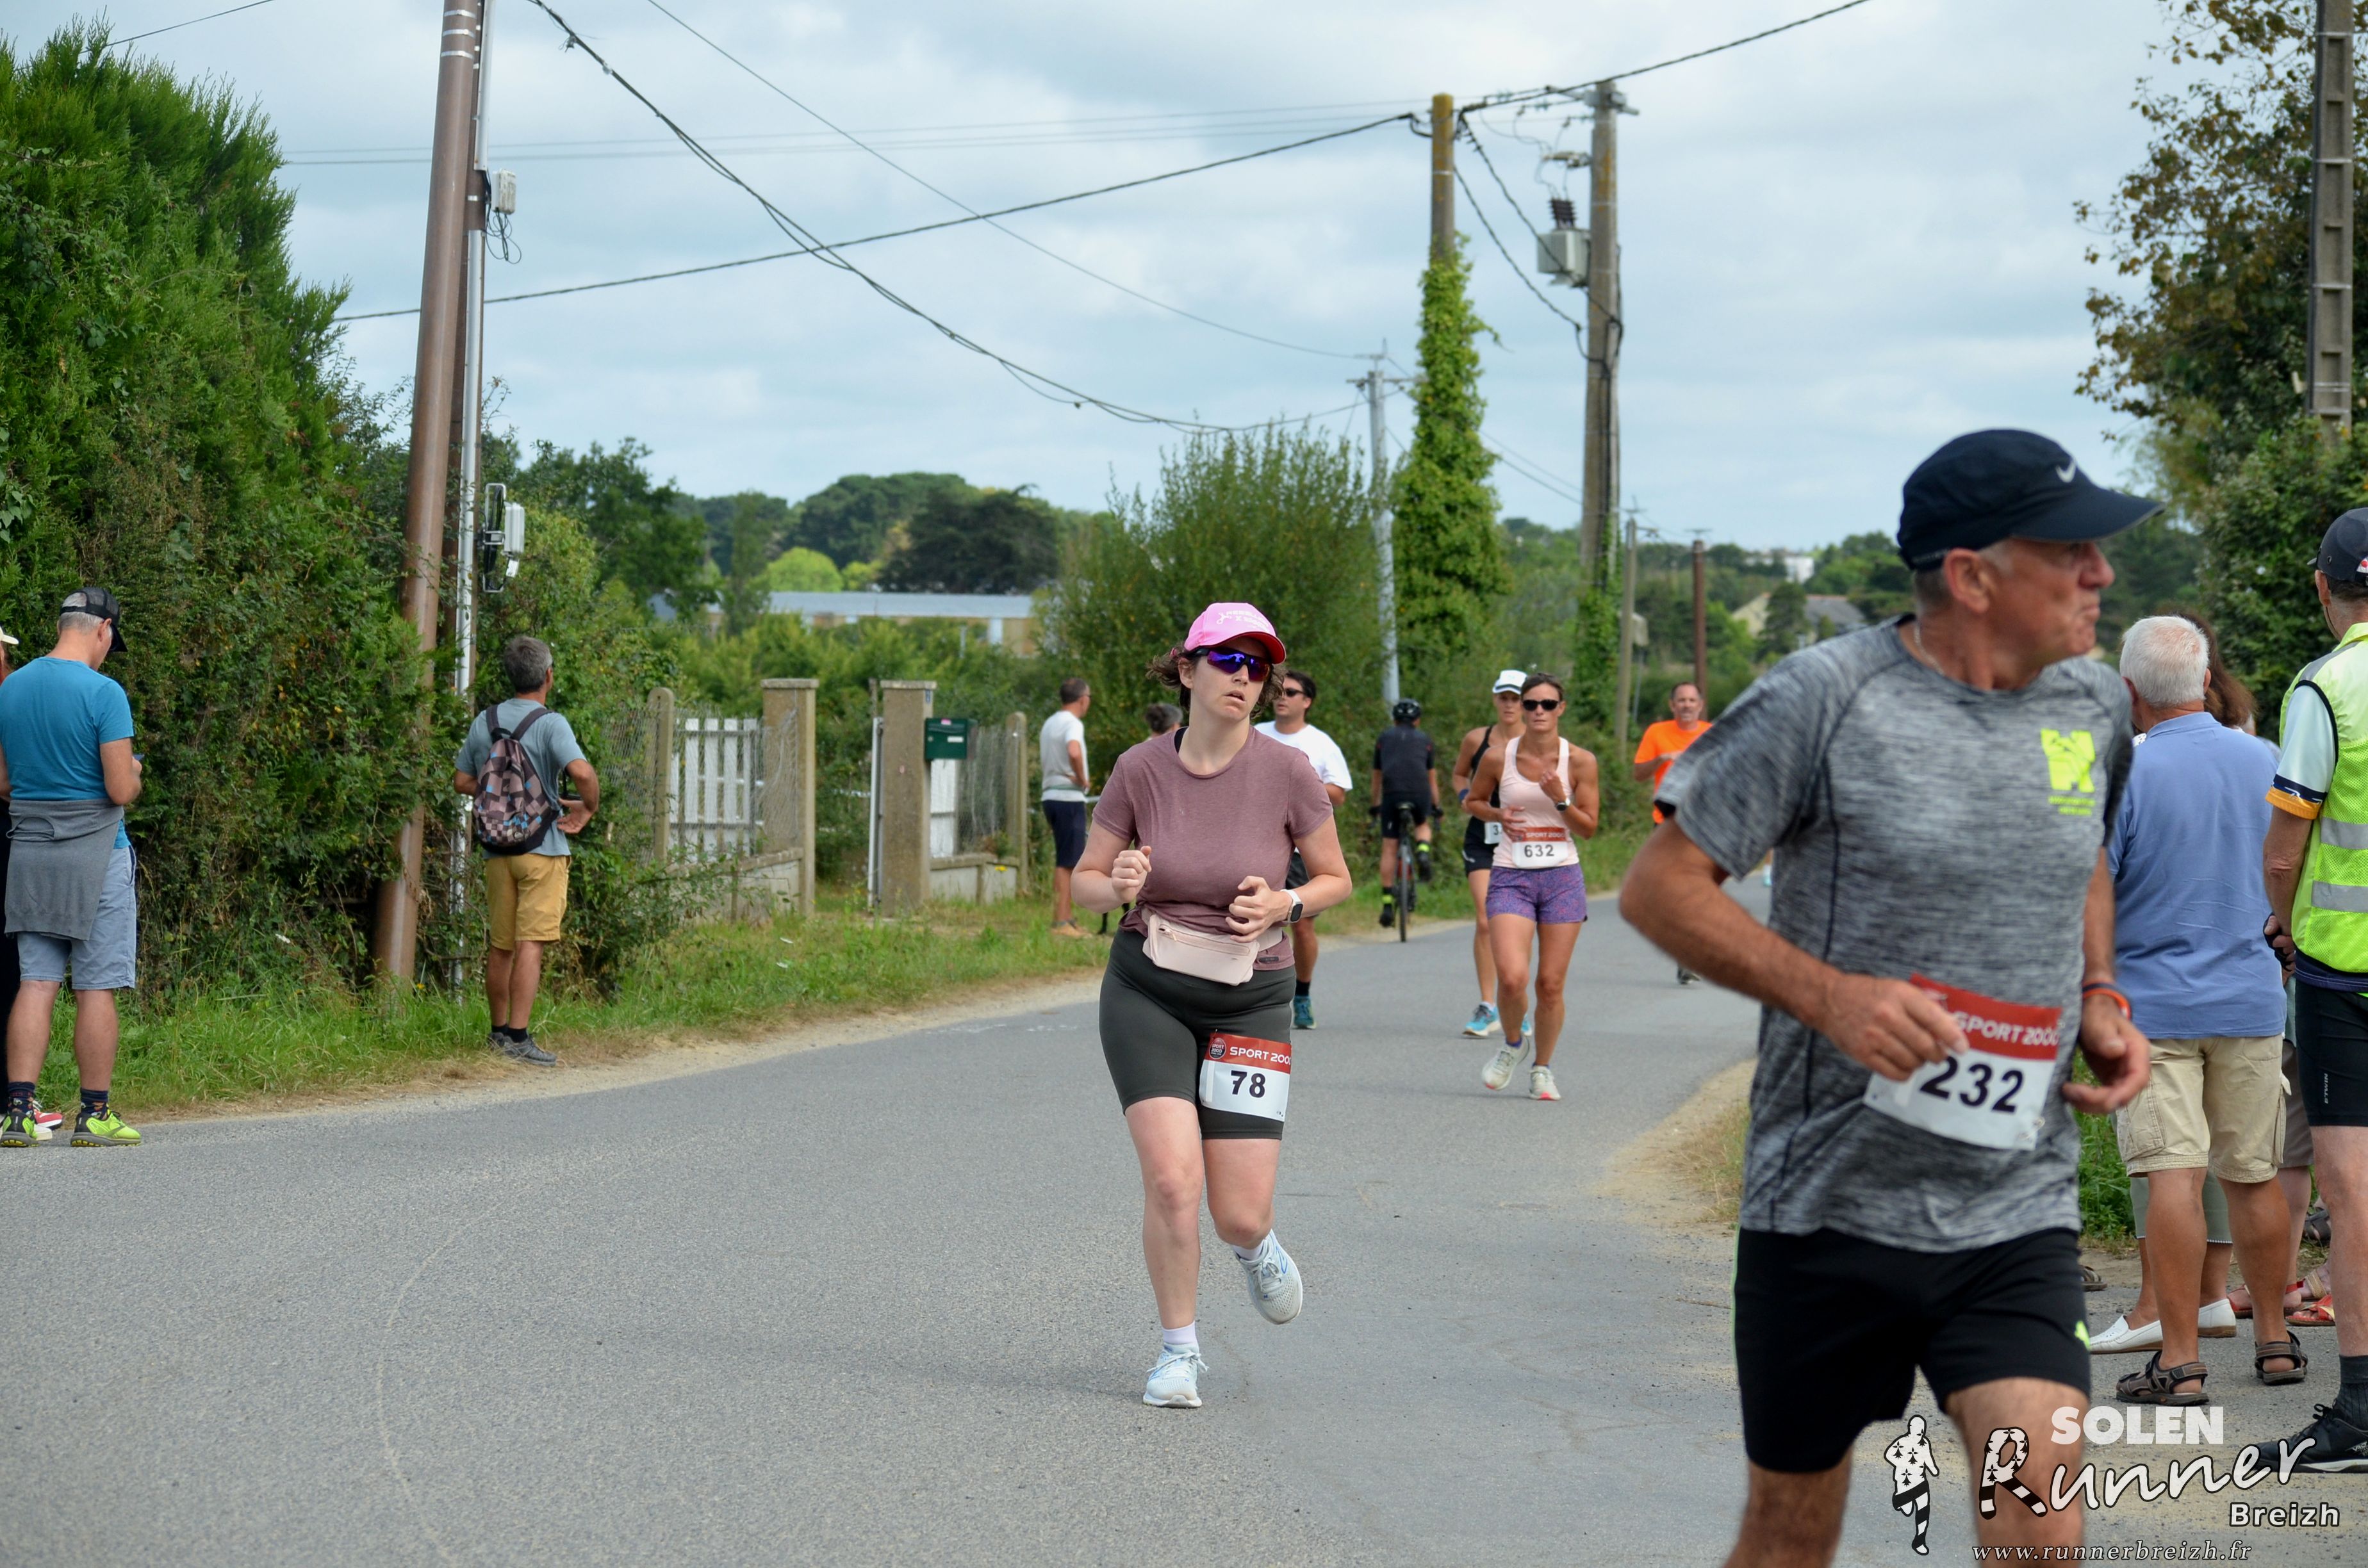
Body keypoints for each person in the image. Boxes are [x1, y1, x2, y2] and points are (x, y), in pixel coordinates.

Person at [1621, 429, 2157, 1563]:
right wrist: (1832, 999)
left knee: (2041, 1514)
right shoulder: (1825, 697)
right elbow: (1659, 889)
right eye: (2070, 552)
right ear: (1972, 576)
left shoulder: (2094, 703)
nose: (2101, 573)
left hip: (2013, 1206)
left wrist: (2098, 989)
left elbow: (2085, 856)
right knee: (1789, 1534)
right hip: (1828, 1204)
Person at [1069, 603, 1351, 1410]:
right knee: (1171, 1181)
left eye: (1258, 666)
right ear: (1187, 670)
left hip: (1251, 999)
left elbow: (1336, 880)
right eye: (1228, 660)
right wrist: (1117, 884)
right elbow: (1086, 880)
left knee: (1238, 1213)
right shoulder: (1139, 768)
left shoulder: (1289, 772)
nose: (1245, 677)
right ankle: (1178, 1354)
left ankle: (1256, 1248)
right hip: (1148, 988)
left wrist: (1285, 904)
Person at [2093, 616, 2297, 1403]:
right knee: (2253, 1176)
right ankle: (2275, 1340)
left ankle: (2180, 1361)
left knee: (2172, 1177)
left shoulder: (2123, 774)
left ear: (2129, 691)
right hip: (2251, 998)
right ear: (2206, 682)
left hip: (2154, 1008)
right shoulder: (2267, 759)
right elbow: (2291, 863)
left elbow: (2095, 893)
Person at [2244, 507, 2368, 1473]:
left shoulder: (2325, 689)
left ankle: (2360, 1413)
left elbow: (2286, 847)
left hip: (2344, 978)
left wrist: (2280, 924)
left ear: (2324, 589)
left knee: (2355, 1195)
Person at [0, 589, 148, 1149]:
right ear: (103, 630)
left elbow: (4, 783)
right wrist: (135, 771)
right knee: (95, 987)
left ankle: (17, 1113)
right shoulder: (105, 693)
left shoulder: (12, 688)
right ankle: (95, 1114)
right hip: (97, 855)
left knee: (36, 981)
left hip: (32, 852)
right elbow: (119, 788)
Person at [452, 635, 598, 1068]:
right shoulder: (552, 724)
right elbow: (581, 772)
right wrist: (588, 806)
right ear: (548, 676)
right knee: (530, 942)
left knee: (501, 945)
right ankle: (520, 1037)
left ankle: (498, 1034)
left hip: (497, 850)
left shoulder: (486, 721)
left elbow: (462, 781)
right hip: (542, 848)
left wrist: (502, 796)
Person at [1463, 674, 1598, 1103]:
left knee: (1550, 985)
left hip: (1562, 878)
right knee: (1512, 977)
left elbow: (1589, 828)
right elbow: (1472, 801)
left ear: (1561, 708)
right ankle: (1512, 1045)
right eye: (1531, 703)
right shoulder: (1498, 757)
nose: (1539, 711)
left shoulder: (1580, 761)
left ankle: (1542, 1068)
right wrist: (1497, 816)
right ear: (1522, 708)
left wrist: (1561, 799)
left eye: (1548, 704)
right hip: (1511, 874)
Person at [1256, 670, 1351, 1030]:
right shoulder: (1254, 734)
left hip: (1297, 850)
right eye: (1279, 691)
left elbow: (1339, 792)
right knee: (1251, 919)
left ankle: (1303, 994)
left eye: (1292, 692)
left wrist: (1296, 783)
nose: (1282, 697)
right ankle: (1250, 993)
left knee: (1303, 925)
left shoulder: (1321, 743)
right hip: (1253, 844)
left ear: (1307, 701)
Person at [1450, 671, 1527, 1037]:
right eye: (1504, 698)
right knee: (1486, 920)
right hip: (1482, 835)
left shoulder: (1536, 742)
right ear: (1496, 699)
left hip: (1523, 840)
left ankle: (1516, 1002)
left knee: (1517, 923)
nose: (1510, 705)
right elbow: (1459, 775)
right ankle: (1488, 1005)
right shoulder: (1477, 739)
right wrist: (1466, 797)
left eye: (1517, 699)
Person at [1635, 682, 1714, 984]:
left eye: (1692, 701)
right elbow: (1638, 773)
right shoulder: (1657, 733)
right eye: (1681, 700)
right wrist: (1663, 759)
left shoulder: (1712, 734)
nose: (1686, 705)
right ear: (1672, 706)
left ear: (1700, 705)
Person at [1372, 698, 1436, 927]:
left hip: (1392, 794)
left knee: (1390, 847)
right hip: (1419, 792)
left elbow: (1377, 776)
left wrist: (1375, 805)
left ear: (1395, 720)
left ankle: (1387, 904)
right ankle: (1422, 851)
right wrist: (1436, 806)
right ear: (1417, 721)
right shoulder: (1425, 740)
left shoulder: (1383, 739)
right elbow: (1432, 778)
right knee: (1422, 824)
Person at [1040, 678, 1092, 938]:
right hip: (1068, 797)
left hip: (1050, 795)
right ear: (1083, 700)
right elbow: (1074, 751)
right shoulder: (1073, 723)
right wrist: (1083, 779)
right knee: (1068, 862)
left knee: (1066, 858)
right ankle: (1061, 923)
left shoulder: (1050, 722)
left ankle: (1067, 918)